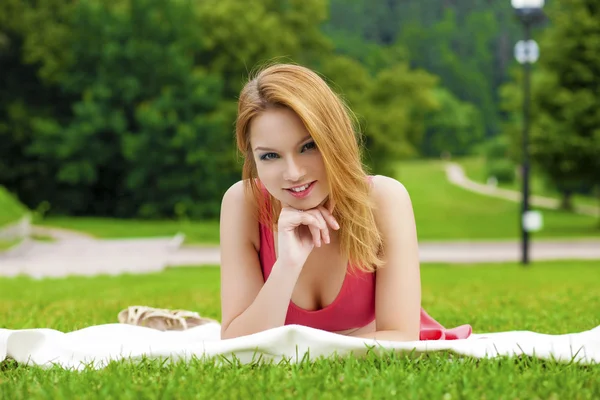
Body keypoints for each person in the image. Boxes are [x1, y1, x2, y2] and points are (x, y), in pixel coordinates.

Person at [219, 63, 471, 341]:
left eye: (308, 146)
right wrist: (287, 265)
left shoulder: (383, 200)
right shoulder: (243, 204)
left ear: (334, 139)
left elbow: (401, 338)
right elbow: (236, 345)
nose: (293, 173)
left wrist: (305, 354)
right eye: (269, 156)